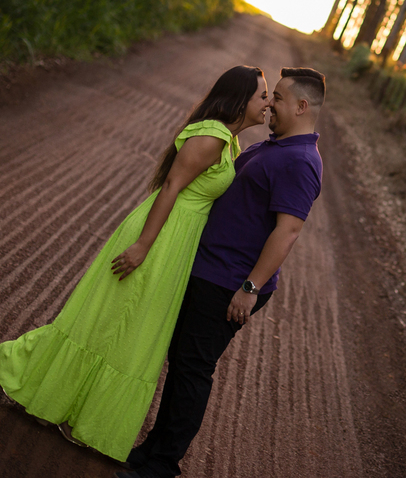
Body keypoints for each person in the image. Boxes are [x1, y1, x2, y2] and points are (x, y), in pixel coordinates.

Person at [0, 65, 270, 461]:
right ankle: (43, 393)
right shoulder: (212, 135)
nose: (268, 102)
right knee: (109, 318)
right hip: (161, 235)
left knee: (131, 329)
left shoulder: (229, 142)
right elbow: (171, 186)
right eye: (262, 95)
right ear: (241, 100)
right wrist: (143, 245)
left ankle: (81, 413)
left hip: (178, 241)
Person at [119, 67, 325, 478]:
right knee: (182, 364)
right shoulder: (275, 147)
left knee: (193, 369)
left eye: (279, 99)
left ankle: (161, 465)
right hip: (212, 271)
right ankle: (150, 451)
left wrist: (250, 287)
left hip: (230, 281)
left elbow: (289, 230)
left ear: (302, 106)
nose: (270, 105)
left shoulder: (300, 162)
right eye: (269, 97)